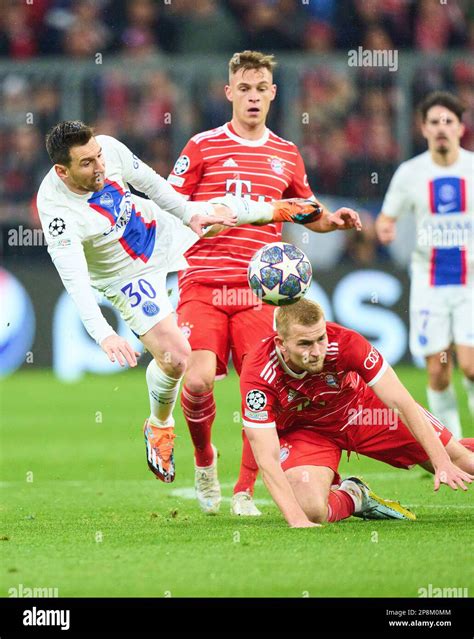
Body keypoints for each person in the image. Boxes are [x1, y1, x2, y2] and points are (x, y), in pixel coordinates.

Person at [36, 120, 319, 483]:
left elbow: (153, 184)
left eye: (98, 156)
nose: (100, 166)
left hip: (154, 228)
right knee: (176, 359)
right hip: (125, 278)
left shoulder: (107, 148)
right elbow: (74, 281)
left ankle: (275, 209)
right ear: (62, 171)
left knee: (215, 215)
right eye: (87, 163)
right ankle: (159, 425)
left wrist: (189, 215)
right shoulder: (58, 215)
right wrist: (104, 334)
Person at [168, 50, 362, 515]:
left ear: (272, 94)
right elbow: (168, 201)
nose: (253, 97)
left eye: (261, 89)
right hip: (204, 284)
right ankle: (204, 459)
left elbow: (305, 209)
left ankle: (243, 491)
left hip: (259, 293)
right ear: (229, 92)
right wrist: (198, 217)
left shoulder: (285, 154)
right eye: (245, 89)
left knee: (259, 394)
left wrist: (331, 222)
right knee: (195, 383)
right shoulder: (201, 146)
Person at [239, 299, 474, 528]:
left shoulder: (346, 342)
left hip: (363, 411)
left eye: (321, 338)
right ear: (281, 343)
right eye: (305, 344)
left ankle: (454, 452)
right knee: (310, 510)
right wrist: (297, 520)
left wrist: (441, 459)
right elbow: (266, 457)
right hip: (307, 432)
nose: (317, 351)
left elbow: (401, 402)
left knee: (463, 462)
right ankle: (354, 495)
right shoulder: (258, 374)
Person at [376, 91, 473, 440]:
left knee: (472, 366)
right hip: (429, 283)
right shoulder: (410, 173)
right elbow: (386, 218)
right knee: (438, 372)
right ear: (424, 129)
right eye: (435, 122)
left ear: (461, 128)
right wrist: (385, 228)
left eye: (449, 121)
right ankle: (455, 445)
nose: (442, 128)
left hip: (470, 283)